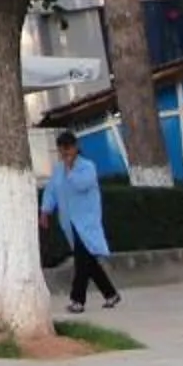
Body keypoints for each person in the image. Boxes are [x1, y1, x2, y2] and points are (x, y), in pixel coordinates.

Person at [40, 131, 119, 315]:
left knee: (82, 261)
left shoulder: (87, 167)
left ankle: (77, 300)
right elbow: (52, 190)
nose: (65, 154)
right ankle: (111, 294)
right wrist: (45, 210)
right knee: (88, 261)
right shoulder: (59, 169)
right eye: (62, 151)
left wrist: (70, 170)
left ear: (75, 148)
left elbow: (82, 185)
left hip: (86, 220)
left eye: (68, 149)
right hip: (69, 221)